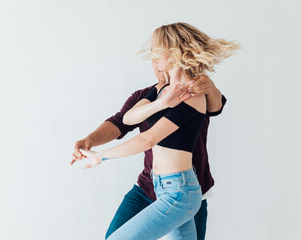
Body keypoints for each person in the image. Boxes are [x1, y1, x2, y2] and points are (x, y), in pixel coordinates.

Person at [72, 22, 240, 239]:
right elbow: (125, 118)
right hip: (154, 185)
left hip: (181, 190)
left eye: (158, 51)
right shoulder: (158, 92)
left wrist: (101, 156)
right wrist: (161, 104)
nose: (154, 58)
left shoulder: (194, 91)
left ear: (175, 54)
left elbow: (148, 140)